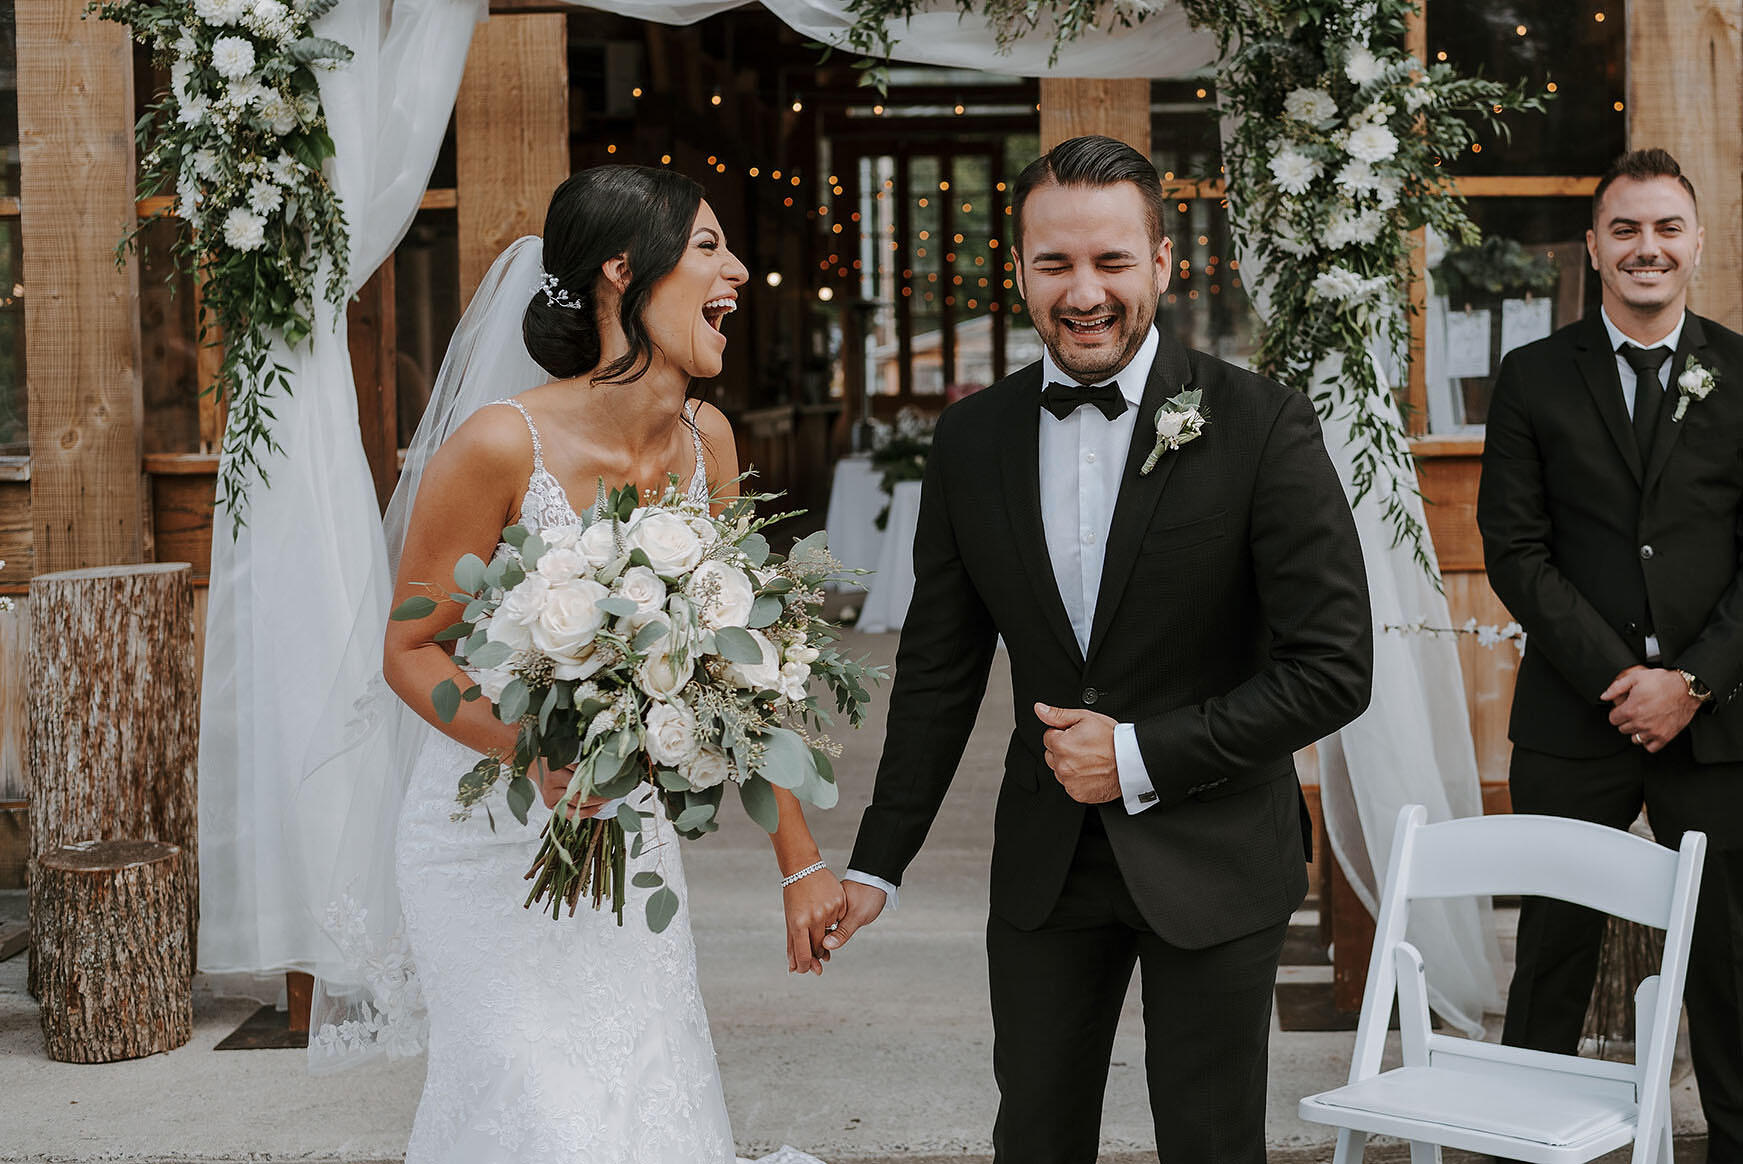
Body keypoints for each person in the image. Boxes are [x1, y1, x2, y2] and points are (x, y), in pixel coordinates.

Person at [821, 135, 1373, 1163]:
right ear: (1018, 270)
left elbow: (1334, 669)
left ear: (1162, 263)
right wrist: (877, 863)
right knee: (1034, 1137)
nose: (1084, 293)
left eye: (1112, 261)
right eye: (1055, 263)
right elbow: (940, 670)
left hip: (1215, 854)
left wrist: (1136, 754)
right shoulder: (971, 439)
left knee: (1209, 1146)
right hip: (1046, 865)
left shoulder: (1261, 425)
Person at [380, 165, 845, 1163]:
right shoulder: (499, 445)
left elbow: (745, 670)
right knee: (540, 1115)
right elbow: (410, 647)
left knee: (640, 1096)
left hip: (625, 835)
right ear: (623, 272)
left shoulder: (706, 442)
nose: (739, 271)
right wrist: (530, 751)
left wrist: (801, 864)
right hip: (485, 835)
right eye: (709, 246)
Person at [1478, 147, 1743, 1161]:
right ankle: (1521, 1143)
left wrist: (1692, 682)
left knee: (1729, 961)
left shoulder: (1742, 372)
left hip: (1717, 725)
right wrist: (1623, 681)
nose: (1646, 247)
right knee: (1552, 952)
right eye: (1624, 228)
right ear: (1591, 247)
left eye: (1666, 228)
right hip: (1573, 716)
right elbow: (1515, 548)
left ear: (1697, 243)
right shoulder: (1533, 376)